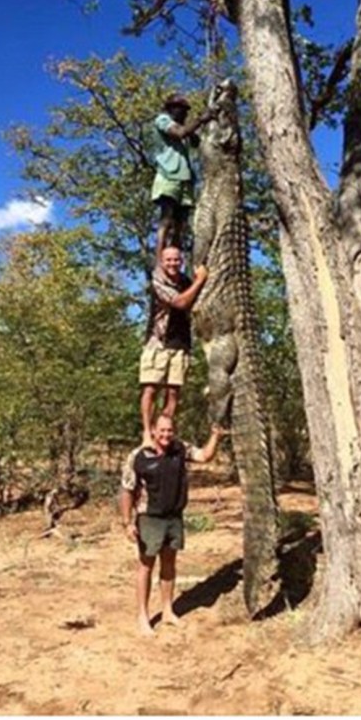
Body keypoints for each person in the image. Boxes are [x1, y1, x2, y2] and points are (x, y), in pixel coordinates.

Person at [120, 414, 227, 636]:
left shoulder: (180, 448)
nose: (166, 435)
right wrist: (127, 522)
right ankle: (143, 615)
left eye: (169, 430)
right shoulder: (138, 456)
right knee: (146, 566)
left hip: (173, 517)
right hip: (149, 517)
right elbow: (127, 490)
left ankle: (168, 611)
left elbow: (205, 456)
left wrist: (215, 435)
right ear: (153, 430)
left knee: (169, 564)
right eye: (162, 430)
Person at [139, 246, 208, 441]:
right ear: (162, 262)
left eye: (176, 260)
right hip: (158, 342)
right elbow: (180, 303)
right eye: (168, 260)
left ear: (182, 261)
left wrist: (196, 282)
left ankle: (163, 432)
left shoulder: (186, 281)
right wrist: (200, 280)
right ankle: (146, 432)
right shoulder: (157, 282)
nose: (173, 263)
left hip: (181, 343)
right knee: (150, 388)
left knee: (173, 392)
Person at [151, 94, 214, 259]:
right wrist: (201, 119)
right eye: (183, 110)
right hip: (168, 175)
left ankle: (175, 258)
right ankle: (159, 259)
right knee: (167, 218)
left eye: (187, 111)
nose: (185, 114)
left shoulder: (182, 126)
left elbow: (194, 141)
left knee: (181, 223)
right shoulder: (163, 120)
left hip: (185, 177)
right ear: (172, 108)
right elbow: (178, 133)